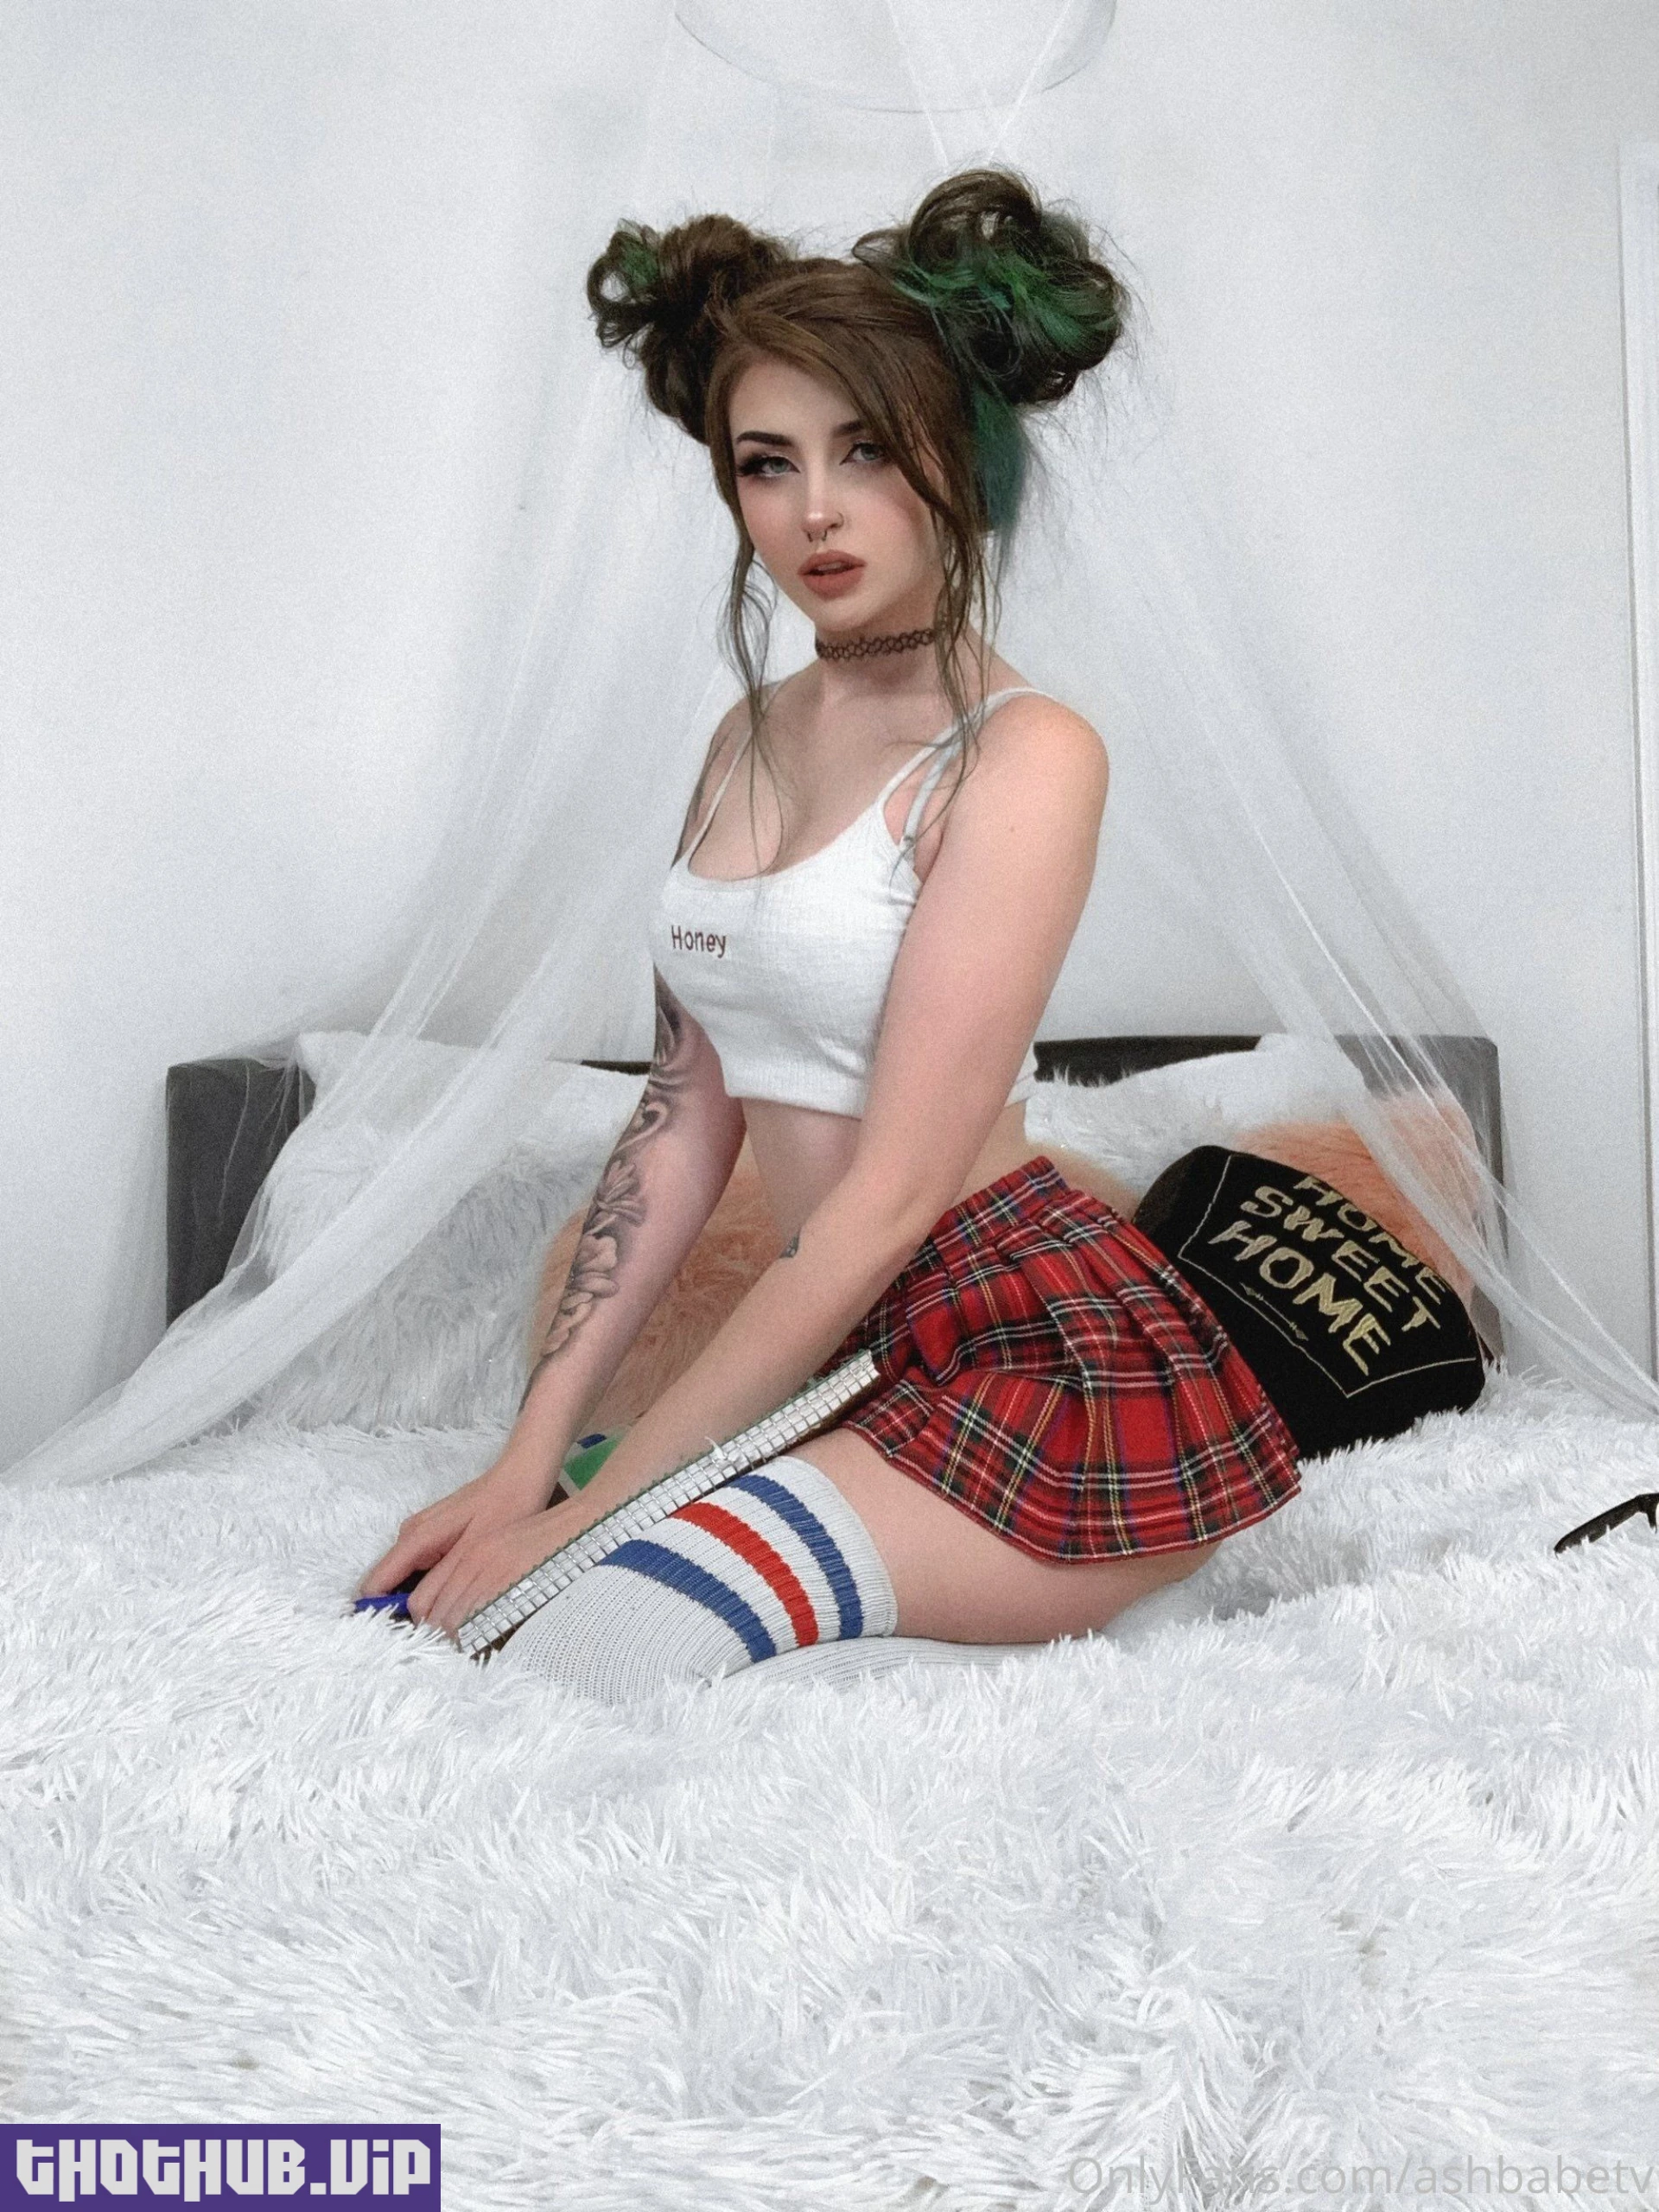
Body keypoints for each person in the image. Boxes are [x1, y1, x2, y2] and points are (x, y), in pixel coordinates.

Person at [356, 170, 1304, 1694]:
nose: (814, 510)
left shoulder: (1025, 754)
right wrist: (528, 1464)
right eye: (767, 463)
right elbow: (683, 1114)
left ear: (959, 455)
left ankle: (1073, 1588)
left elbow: (891, 1201)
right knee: (464, 1616)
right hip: (854, 1345)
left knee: (590, 1634)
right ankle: (954, 1593)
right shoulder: (741, 739)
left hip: (1030, 1347)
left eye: (865, 449)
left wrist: (595, 1517)